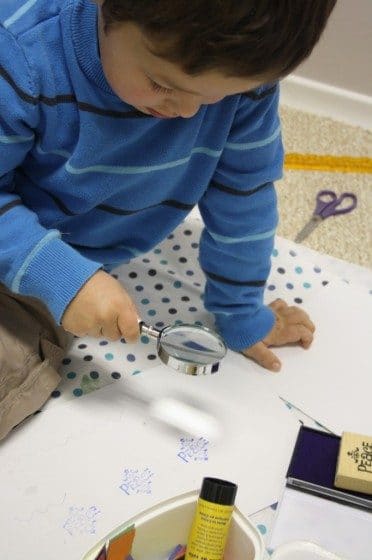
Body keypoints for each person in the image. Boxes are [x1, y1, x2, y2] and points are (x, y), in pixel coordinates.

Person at [0, 0, 336, 435]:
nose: (189, 112)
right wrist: (58, 273)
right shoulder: (24, 53)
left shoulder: (245, 83)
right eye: (161, 84)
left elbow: (244, 198)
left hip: (44, 266)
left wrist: (240, 311)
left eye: (218, 97)